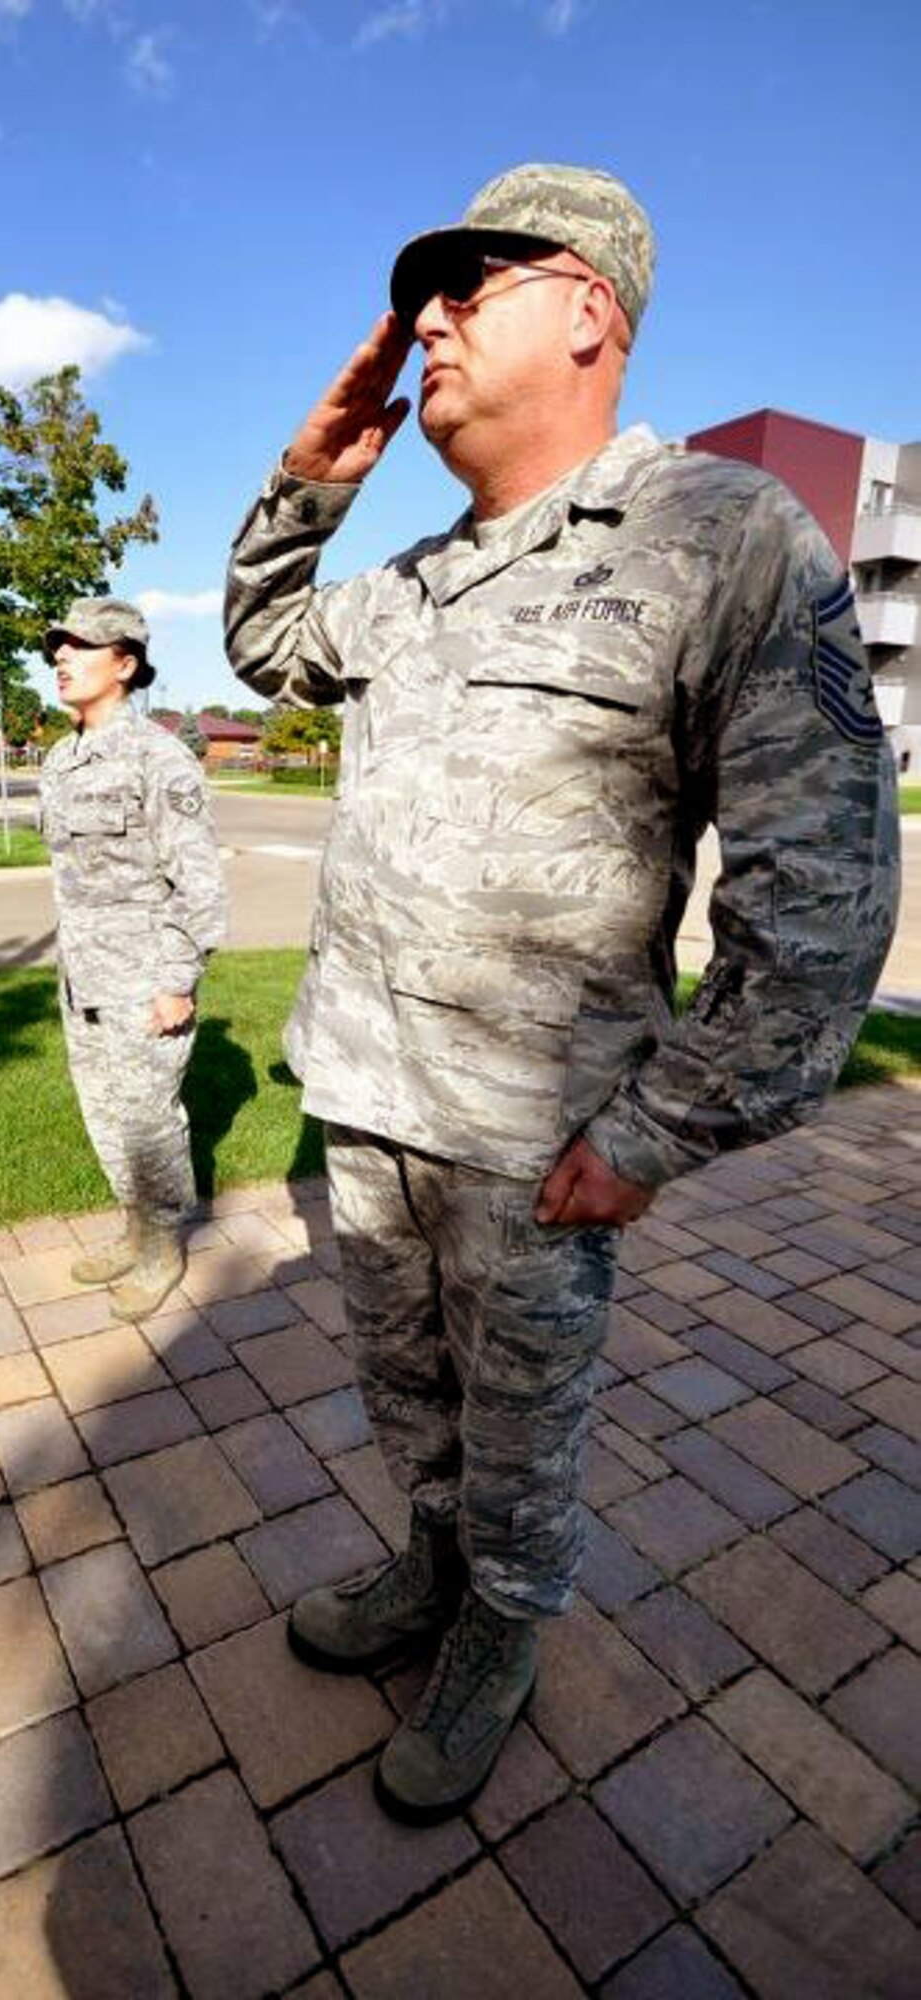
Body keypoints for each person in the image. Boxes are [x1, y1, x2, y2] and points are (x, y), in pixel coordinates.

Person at [224, 162, 899, 1824]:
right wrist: (306, 490)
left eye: (474, 281)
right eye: (422, 292)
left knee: (523, 1419)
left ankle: (503, 1633)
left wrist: (666, 1128)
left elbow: (820, 896)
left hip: (540, 1141)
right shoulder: (421, 579)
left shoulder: (723, 535)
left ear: (591, 307)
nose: (428, 318)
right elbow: (261, 650)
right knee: (406, 1392)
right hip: (366, 1099)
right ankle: (435, 1572)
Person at [40, 598, 227, 1319]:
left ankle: (161, 1246)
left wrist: (177, 982)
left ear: (124, 664)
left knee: (148, 1121)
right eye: (57, 648)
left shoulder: (159, 757)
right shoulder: (61, 758)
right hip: (82, 975)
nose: (61, 658)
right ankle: (131, 1228)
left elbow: (199, 882)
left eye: (79, 647)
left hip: (145, 979)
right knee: (103, 1114)